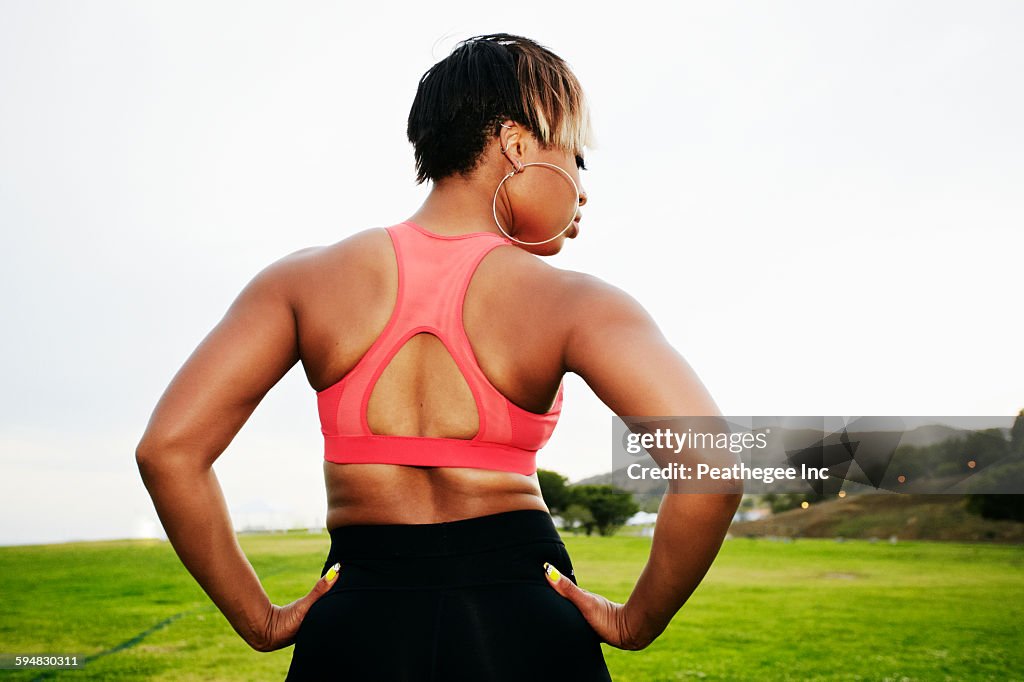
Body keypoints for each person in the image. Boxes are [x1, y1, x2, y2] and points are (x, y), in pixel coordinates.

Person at [135, 33, 742, 681]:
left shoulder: (301, 282)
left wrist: (260, 622)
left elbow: (168, 451)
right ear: (515, 144)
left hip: (357, 618)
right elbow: (713, 467)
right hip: (522, 619)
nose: (582, 190)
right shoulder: (576, 301)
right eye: (577, 157)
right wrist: (635, 621)